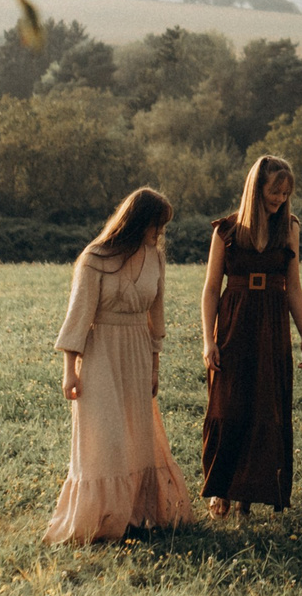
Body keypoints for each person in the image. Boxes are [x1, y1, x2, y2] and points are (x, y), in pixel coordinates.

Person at [45, 186, 194, 544]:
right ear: (137, 220)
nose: (160, 233)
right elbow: (78, 317)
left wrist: (155, 364)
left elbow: (155, 316)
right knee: (105, 437)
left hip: (138, 352)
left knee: (137, 436)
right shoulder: (94, 257)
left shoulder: (155, 258)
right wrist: (70, 370)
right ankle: (100, 519)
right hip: (100, 353)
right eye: (156, 224)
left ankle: (135, 516)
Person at [200, 155, 302, 517]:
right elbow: (209, 290)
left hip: (273, 324)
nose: (280, 198)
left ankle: (248, 495)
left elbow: (294, 287)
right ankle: (221, 489)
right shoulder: (227, 231)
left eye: (285, 192)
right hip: (234, 323)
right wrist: (208, 338)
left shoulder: (290, 229)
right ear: (256, 188)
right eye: (274, 191)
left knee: (265, 405)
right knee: (228, 404)